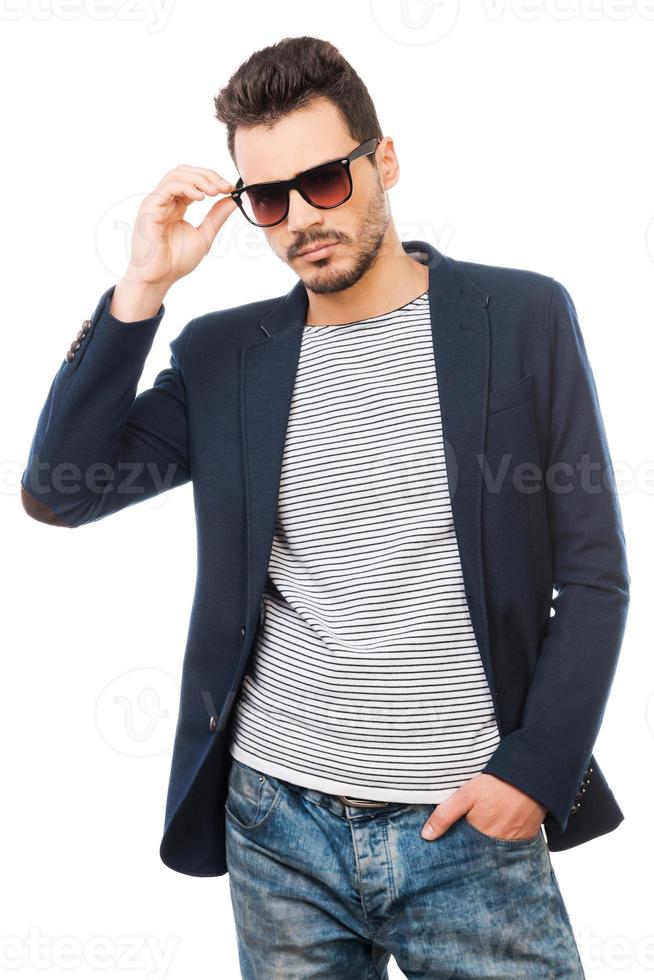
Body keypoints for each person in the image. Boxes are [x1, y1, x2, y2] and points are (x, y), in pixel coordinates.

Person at [21, 35, 629, 979]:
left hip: (469, 822)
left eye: (326, 182)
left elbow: (595, 574)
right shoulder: (227, 355)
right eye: (269, 198)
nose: (302, 217)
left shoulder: (520, 318)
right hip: (278, 824)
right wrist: (142, 288)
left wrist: (534, 774)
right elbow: (61, 490)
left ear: (383, 161)